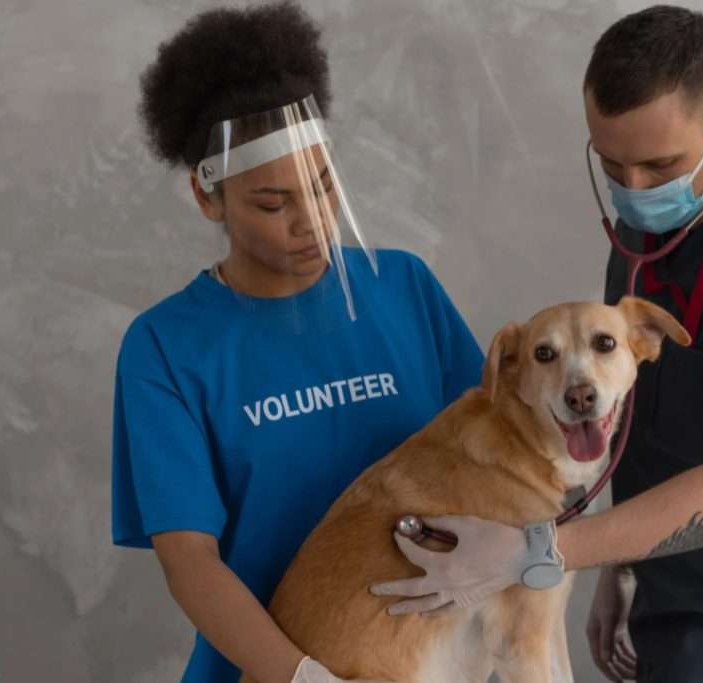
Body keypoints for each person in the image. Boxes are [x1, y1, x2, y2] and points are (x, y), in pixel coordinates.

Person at [371, 6, 703, 683]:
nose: (634, 190)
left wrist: (542, 549)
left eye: (660, 165)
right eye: (612, 165)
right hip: (662, 598)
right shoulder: (640, 242)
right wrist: (618, 570)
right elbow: (624, 420)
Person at [110, 4, 484, 682]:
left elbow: (496, 458)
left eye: (322, 186)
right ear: (208, 196)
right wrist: (304, 677)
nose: (311, 221)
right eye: (273, 203)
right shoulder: (166, 348)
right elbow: (190, 560)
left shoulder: (404, 287)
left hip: (433, 660)